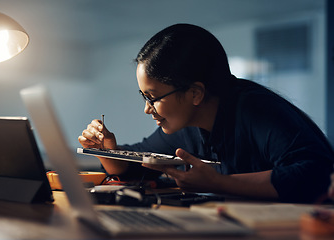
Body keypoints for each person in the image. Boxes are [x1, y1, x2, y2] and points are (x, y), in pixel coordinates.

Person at [79, 23, 334, 203]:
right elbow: (138, 166)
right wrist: (107, 150)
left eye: (152, 97)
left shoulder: (256, 110)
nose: (147, 109)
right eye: (144, 96)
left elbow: (317, 174)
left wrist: (218, 183)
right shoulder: (186, 125)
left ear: (195, 93)